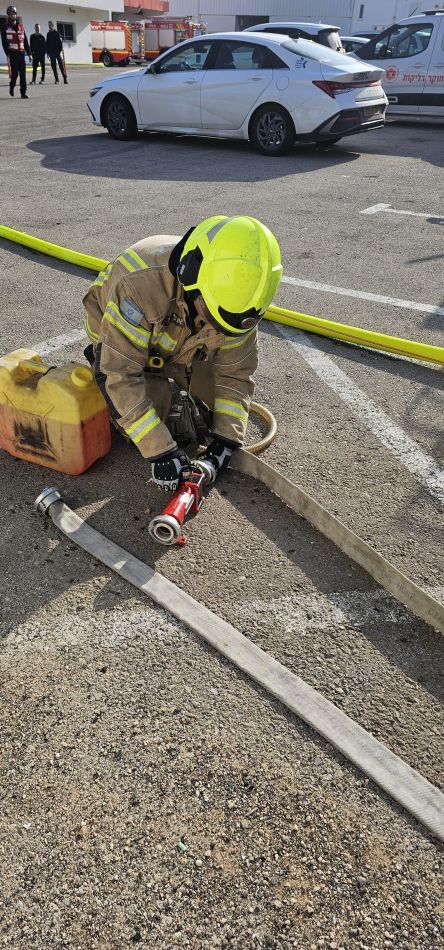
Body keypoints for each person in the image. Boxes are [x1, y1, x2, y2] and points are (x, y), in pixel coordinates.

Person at [82, 215, 282, 491]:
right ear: (192, 280)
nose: (215, 326)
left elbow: (235, 376)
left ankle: (179, 396)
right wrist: (161, 451)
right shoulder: (141, 285)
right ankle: (149, 396)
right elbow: (120, 373)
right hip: (119, 345)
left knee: (210, 415)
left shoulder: (240, 302)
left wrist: (225, 441)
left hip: (175, 343)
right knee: (162, 420)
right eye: (210, 314)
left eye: (223, 324)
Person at [1, 5, 31, 99]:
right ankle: (12, 85)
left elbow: (25, 41)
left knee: (23, 74)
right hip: (12, 54)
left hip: (21, 54)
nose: (12, 16)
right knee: (15, 74)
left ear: (16, 15)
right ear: (8, 15)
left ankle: (23, 92)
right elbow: (4, 42)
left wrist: (29, 54)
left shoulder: (21, 26)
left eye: (14, 14)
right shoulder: (5, 27)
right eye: (11, 14)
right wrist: (7, 54)